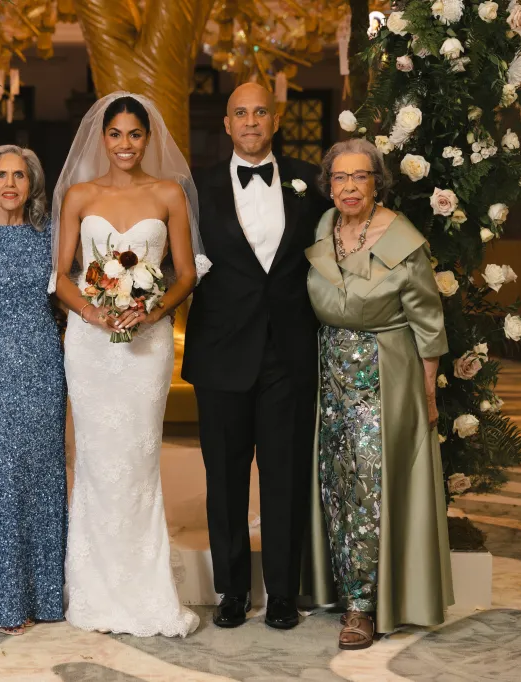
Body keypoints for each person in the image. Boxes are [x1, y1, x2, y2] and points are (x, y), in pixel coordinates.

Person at [50, 93, 206, 637]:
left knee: (138, 462)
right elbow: (62, 275)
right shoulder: (77, 194)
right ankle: (92, 590)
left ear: (148, 139)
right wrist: (94, 312)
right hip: (90, 347)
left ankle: (146, 591)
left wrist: (150, 310)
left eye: (134, 135)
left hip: (147, 345)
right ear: (101, 138)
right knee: (94, 459)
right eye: (114, 134)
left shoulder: (168, 194)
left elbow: (185, 273)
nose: (124, 144)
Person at [182, 83, 331, 630]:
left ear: (275, 119)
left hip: (288, 354)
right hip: (221, 353)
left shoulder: (310, 182)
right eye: (240, 113)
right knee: (223, 481)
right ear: (226, 125)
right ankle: (232, 593)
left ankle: (285, 594)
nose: (250, 121)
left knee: (285, 478)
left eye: (260, 112)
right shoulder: (195, 189)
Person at [305, 138, 453, 649]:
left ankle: (365, 609)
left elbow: (429, 324)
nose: (349, 187)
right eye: (340, 178)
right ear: (329, 185)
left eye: (360, 177)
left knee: (371, 487)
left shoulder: (402, 240)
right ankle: (344, 587)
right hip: (330, 375)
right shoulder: (326, 228)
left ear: (377, 182)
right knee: (336, 484)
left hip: (386, 374)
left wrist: (428, 394)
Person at [0, 145, 67, 636]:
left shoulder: (49, 238)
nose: (9, 184)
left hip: (42, 363)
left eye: (19, 175)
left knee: (42, 472)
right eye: (0, 175)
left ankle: (44, 597)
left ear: (32, 184)